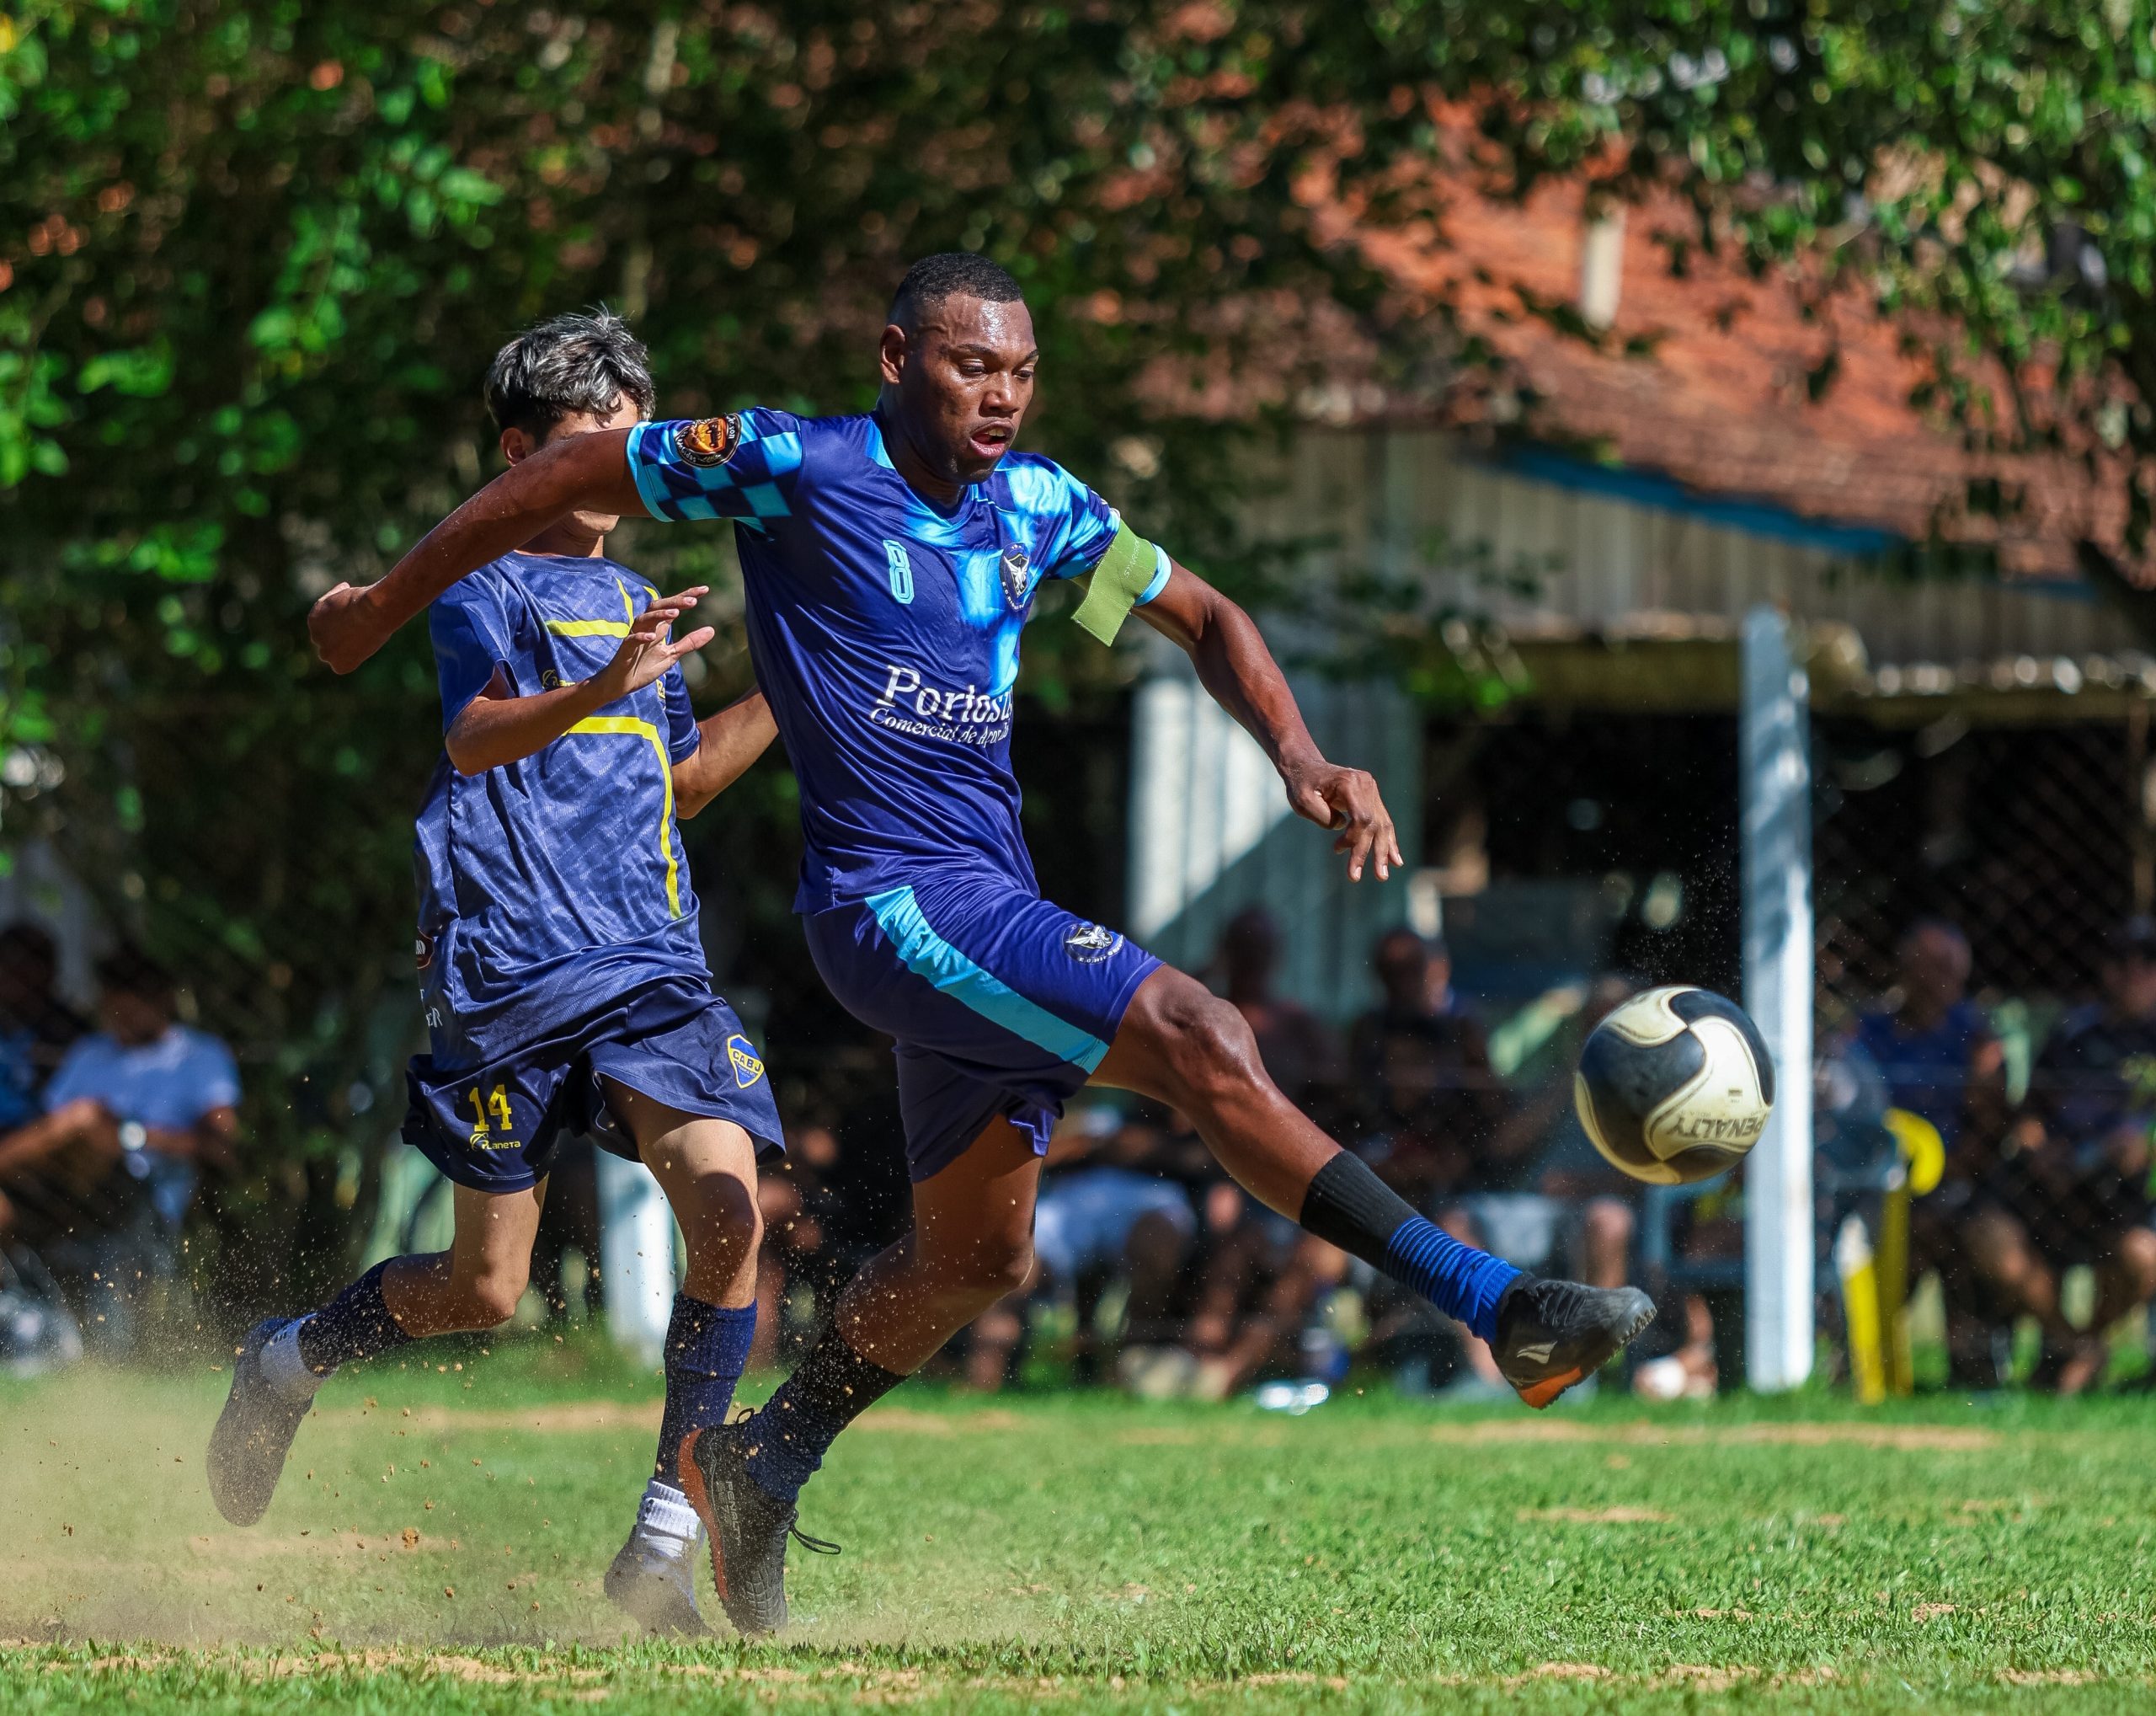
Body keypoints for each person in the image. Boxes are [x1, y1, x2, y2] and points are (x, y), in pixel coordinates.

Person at [304, 253, 1655, 1636]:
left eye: (1018, 370)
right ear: (896, 359)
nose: (1001, 396)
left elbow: (1208, 616)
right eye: (970, 367)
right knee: (1205, 1037)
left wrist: (1302, 755)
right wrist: (376, 609)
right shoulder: (791, 463)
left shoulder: (1042, 506)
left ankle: (764, 1460)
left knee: (974, 1259)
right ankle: (1498, 1303)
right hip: (891, 903)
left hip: (983, 895)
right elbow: (553, 478)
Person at [205, 312, 784, 1636]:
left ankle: (661, 1543)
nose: (620, 476)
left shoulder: (639, 599)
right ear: (520, 457)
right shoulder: (478, 583)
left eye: (637, 450)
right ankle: (287, 1361)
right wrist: (604, 684)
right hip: (508, 968)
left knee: (732, 1213)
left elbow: (680, 785)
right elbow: (472, 743)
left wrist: (794, 695)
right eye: (593, 451)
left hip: (651, 964)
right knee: (483, 1293)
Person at [0, 945, 237, 1342]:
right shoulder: (91, 1053)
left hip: (142, 1188)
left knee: (85, 1117)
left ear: (160, 1001)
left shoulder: (199, 1055)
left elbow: (222, 1150)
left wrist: (131, 1135)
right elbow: (45, 1134)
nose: (118, 1023)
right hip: (66, 1187)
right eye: (112, 1012)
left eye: (128, 1012)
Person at [1963, 917, 2156, 1393]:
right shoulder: (2074, 1031)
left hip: (2130, 1193)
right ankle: (2072, 1343)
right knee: (1987, 1235)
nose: (2131, 974)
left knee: (2143, 1257)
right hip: (2055, 1180)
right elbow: (2029, 1114)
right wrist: (2041, 1149)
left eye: (2146, 963)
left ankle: (2082, 1350)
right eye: (2119, 962)